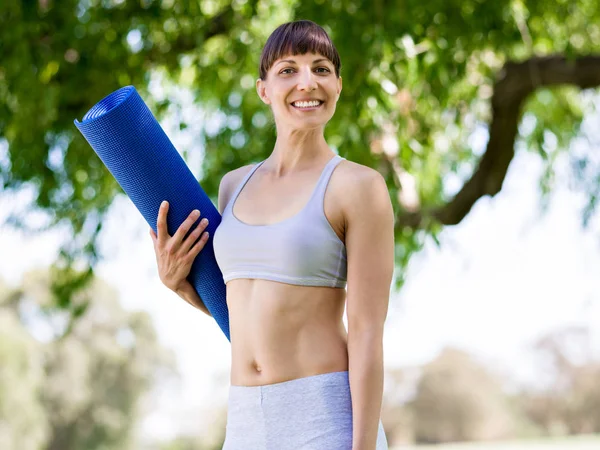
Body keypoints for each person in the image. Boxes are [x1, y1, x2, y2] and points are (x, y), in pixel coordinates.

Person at [149, 20, 394, 450]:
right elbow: (246, 313)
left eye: (321, 69)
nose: (307, 82)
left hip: (324, 418)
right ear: (263, 89)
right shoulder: (233, 185)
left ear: (338, 85)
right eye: (288, 70)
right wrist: (179, 286)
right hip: (245, 419)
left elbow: (367, 332)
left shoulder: (358, 187)